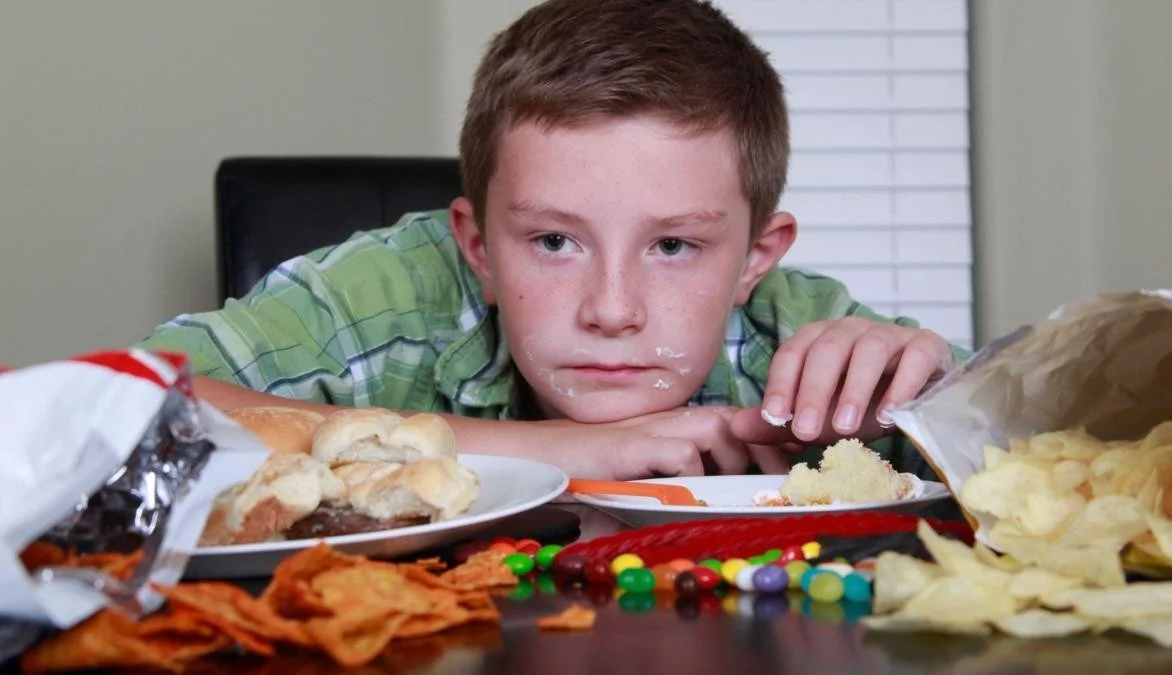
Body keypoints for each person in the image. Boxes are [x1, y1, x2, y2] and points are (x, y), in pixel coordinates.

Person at [137, 0, 970, 480]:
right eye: (552, 242)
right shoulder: (394, 292)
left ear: (757, 257)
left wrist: (947, 394)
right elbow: (109, 402)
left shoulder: (802, 338)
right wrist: (563, 452)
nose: (612, 310)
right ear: (477, 246)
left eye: (674, 247)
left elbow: (1058, 451)